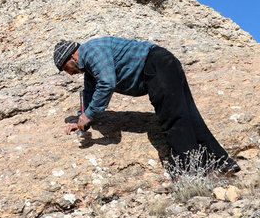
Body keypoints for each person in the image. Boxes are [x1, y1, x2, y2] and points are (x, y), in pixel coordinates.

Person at [53, 37, 240, 174]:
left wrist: (89, 115)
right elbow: (89, 93)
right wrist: (81, 119)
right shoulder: (89, 68)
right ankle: (222, 164)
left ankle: (191, 173)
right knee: (188, 115)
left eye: (65, 69)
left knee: (172, 118)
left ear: (72, 57)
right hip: (162, 64)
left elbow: (107, 83)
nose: (69, 74)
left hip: (156, 65)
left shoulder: (92, 50)